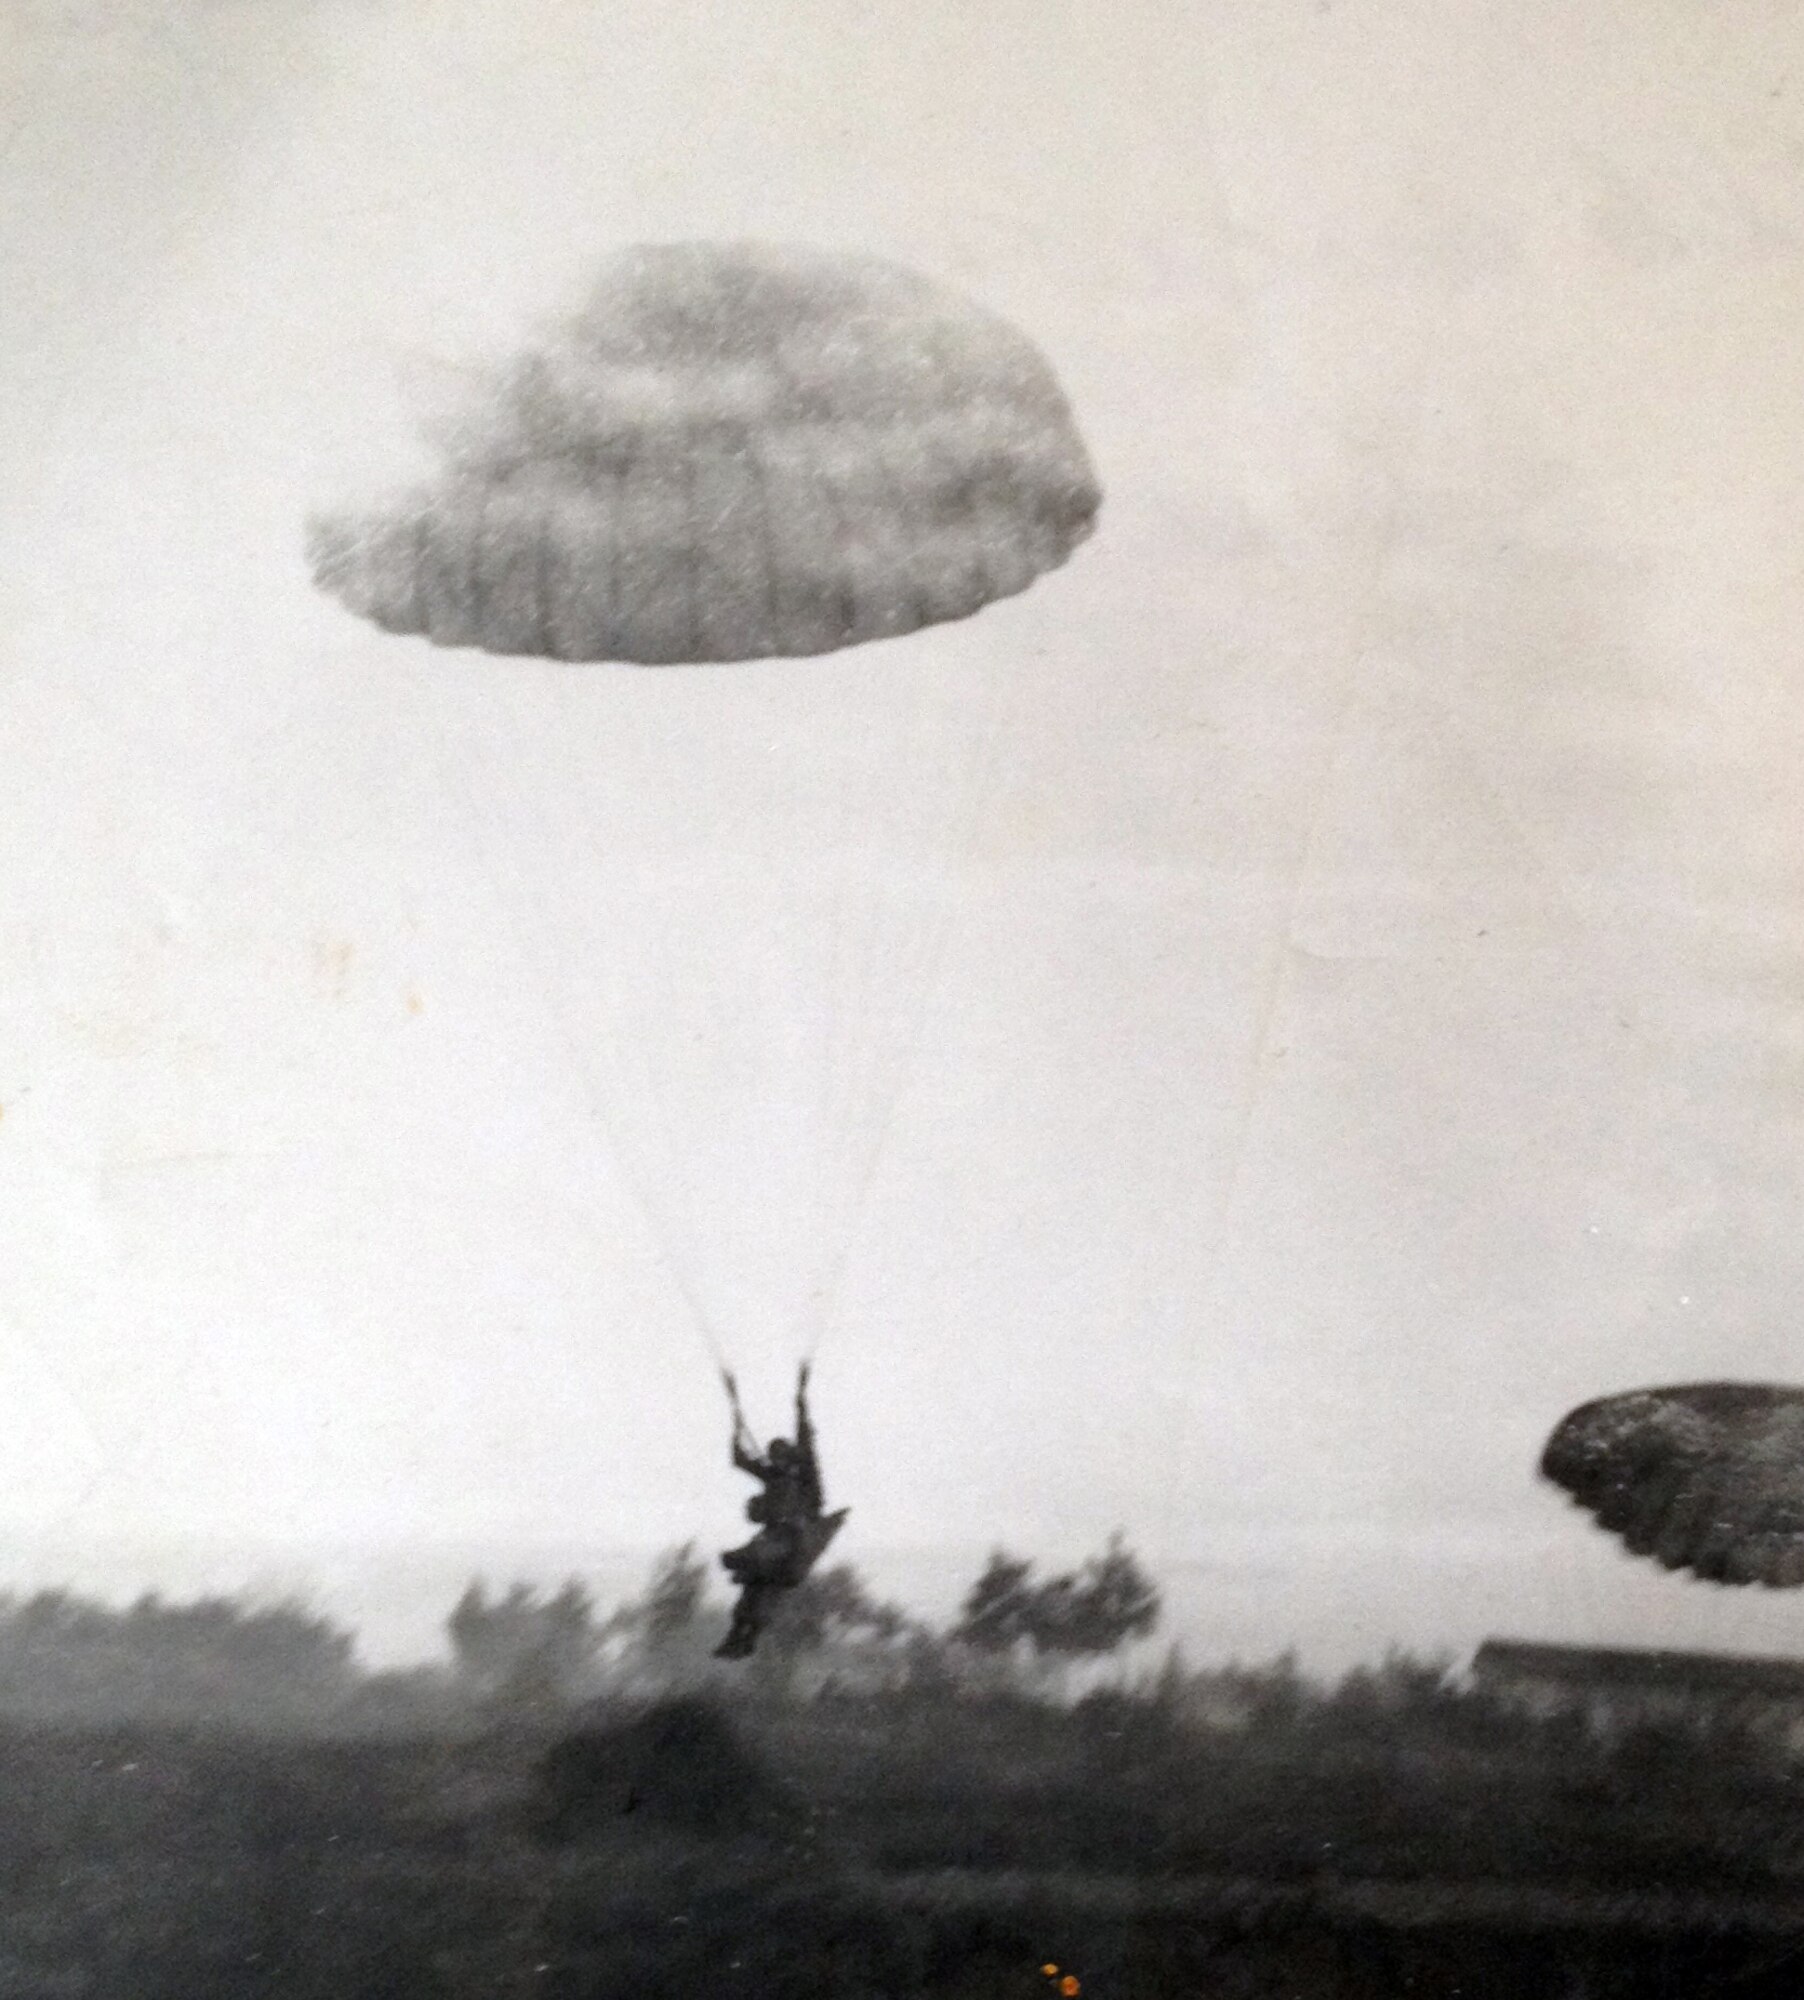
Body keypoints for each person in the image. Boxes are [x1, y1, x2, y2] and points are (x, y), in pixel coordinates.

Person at [714, 1361, 848, 1659]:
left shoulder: (804, 1474)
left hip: (793, 1545)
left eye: (780, 1457)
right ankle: (740, 1637)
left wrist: (800, 1398)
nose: (775, 1463)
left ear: (790, 1456)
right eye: (772, 1458)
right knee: (753, 1593)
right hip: (775, 1552)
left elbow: (804, 1435)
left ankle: (746, 1630)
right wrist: (735, 1421)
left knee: (760, 1570)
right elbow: (740, 1460)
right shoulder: (773, 1476)